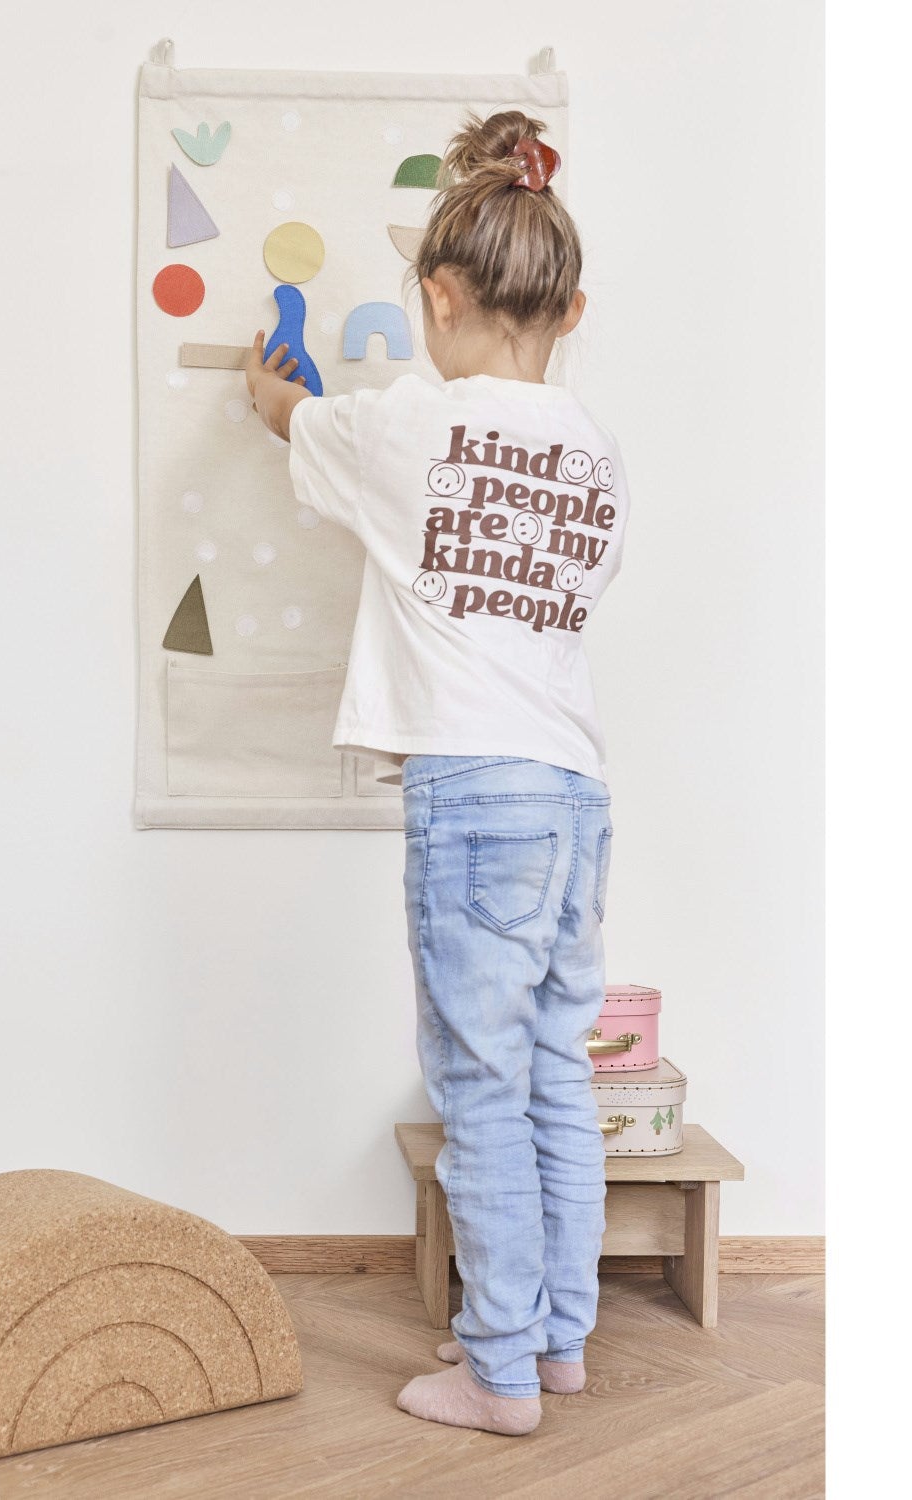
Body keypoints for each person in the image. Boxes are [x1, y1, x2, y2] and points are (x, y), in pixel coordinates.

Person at [245, 110, 629, 1438]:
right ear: (570, 311)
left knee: (478, 1092)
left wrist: (274, 394)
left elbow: (291, 419)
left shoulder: (407, 427)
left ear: (439, 298)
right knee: (555, 1076)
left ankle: (499, 1371)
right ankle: (560, 1344)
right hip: (576, 795)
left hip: (474, 799)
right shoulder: (597, 450)